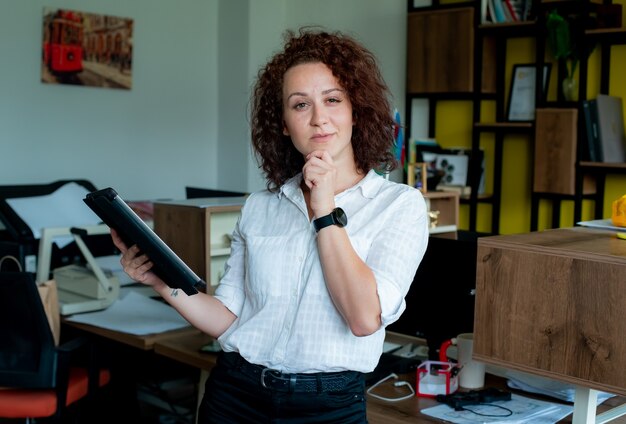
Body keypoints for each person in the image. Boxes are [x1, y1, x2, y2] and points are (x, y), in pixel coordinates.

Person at [112, 26, 429, 423]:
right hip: (234, 396)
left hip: (327, 407)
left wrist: (324, 207)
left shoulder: (400, 206)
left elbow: (363, 318)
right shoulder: (260, 207)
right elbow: (227, 319)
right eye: (300, 105)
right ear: (282, 123)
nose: (319, 119)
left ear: (355, 110)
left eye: (332, 100)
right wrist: (160, 280)